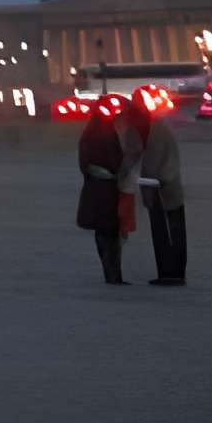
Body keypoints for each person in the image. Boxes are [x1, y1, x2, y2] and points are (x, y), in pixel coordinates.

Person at [76, 98, 139, 284]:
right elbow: (106, 160)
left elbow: (86, 163)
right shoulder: (101, 131)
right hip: (105, 190)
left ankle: (112, 273)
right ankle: (113, 274)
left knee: (106, 233)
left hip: (100, 189)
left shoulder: (93, 131)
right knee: (109, 233)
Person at [131, 91, 187, 285]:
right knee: (171, 230)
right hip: (163, 185)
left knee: (167, 231)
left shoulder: (153, 127)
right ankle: (172, 271)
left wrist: (156, 181)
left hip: (161, 187)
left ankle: (170, 272)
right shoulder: (154, 125)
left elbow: (155, 159)